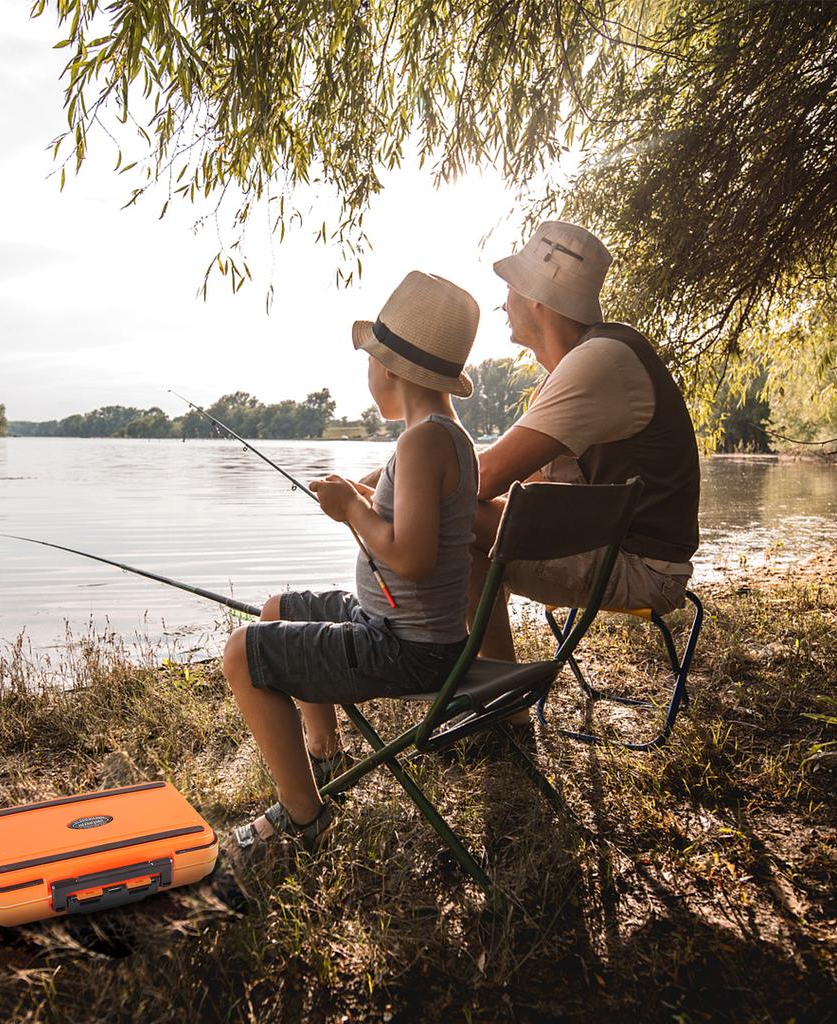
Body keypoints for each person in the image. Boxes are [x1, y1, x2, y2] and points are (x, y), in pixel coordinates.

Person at [222, 271, 481, 856]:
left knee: (242, 651)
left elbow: (410, 558)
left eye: (369, 359)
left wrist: (350, 511)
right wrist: (362, 496)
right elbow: (410, 514)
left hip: (405, 648)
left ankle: (302, 815)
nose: (366, 371)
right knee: (275, 611)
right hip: (409, 632)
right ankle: (321, 752)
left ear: (390, 369)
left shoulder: (421, 443)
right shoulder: (448, 437)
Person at [471, 221, 701, 717]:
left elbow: (484, 479)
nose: (503, 300)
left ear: (538, 298)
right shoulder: (585, 363)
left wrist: (393, 485)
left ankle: (488, 697)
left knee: (459, 519)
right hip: (613, 550)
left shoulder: (599, 363)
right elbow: (518, 489)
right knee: (464, 517)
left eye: (512, 286)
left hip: (645, 569)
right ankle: (495, 694)